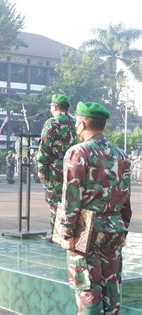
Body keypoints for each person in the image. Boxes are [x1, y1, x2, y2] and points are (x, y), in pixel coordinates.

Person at [59, 102, 131, 314]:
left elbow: (71, 197)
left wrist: (67, 232)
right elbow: (126, 196)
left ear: (81, 123)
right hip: (114, 227)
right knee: (111, 285)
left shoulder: (78, 152)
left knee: (87, 285)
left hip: (86, 231)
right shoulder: (121, 154)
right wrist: (123, 228)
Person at [37, 94, 77, 237]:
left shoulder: (52, 123)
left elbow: (45, 147)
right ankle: (70, 231)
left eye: (51, 105)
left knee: (55, 199)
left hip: (56, 167)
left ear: (56, 106)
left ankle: (55, 232)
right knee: (72, 199)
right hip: (74, 166)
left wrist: (41, 168)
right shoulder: (75, 122)